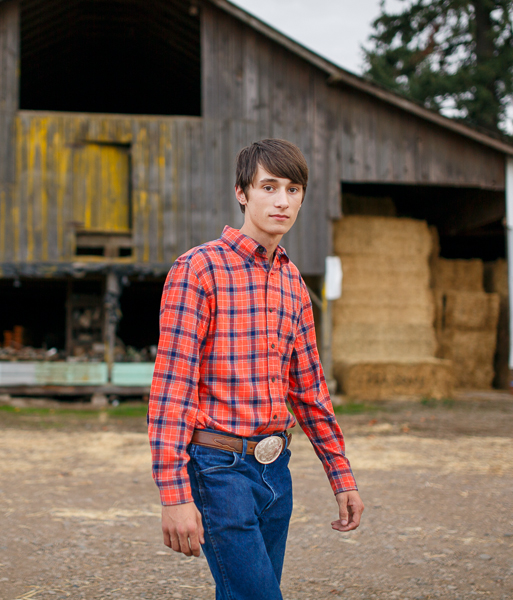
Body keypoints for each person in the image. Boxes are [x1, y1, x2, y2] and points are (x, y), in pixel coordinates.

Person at [148, 139, 364, 599]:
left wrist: (340, 476)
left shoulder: (293, 284)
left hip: (275, 469)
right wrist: (174, 494)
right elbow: (172, 389)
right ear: (242, 193)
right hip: (217, 468)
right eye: (269, 187)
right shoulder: (198, 270)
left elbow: (310, 393)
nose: (282, 201)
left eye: (293, 189)